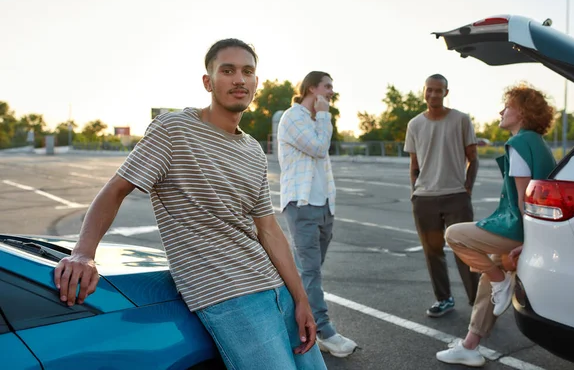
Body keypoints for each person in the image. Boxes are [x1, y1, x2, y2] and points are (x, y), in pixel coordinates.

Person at [53, 38, 327, 370]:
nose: (239, 79)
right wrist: (83, 253)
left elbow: (268, 230)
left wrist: (301, 299)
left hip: (277, 289)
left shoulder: (253, 150)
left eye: (247, 71)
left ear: (256, 83)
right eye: (227, 71)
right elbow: (115, 189)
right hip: (229, 296)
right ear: (208, 81)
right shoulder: (174, 130)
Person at [436, 83, 557, 367]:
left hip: (517, 229)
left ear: (523, 113)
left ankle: (501, 282)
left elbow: (523, 202)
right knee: (486, 285)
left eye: (508, 106)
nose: (501, 110)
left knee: (454, 235)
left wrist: (527, 244)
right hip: (526, 229)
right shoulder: (537, 143)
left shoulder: (519, 143)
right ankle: (470, 345)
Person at [278, 71, 358, 358]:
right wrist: (325, 117)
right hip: (302, 205)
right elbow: (319, 148)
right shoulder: (293, 117)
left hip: (324, 205)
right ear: (312, 88)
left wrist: (323, 118)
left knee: (307, 273)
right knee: (310, 271)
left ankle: (295, 323)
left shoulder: (316, 120)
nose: (331, 92)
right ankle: (325, 332)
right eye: (327, 86)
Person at [404, 74, 481, 317]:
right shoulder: (415, 124)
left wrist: (467, 188)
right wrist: (414, 191)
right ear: (424, 92)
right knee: (432, 252)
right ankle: (444, 298)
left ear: (446, 92)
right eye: (430, 90)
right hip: (424, 198)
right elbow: (414, 164)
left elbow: (473, 158)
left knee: (465, 250)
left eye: (439, 90)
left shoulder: (461, 120)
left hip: (456, 196)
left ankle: (478, 303)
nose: (434, 94)